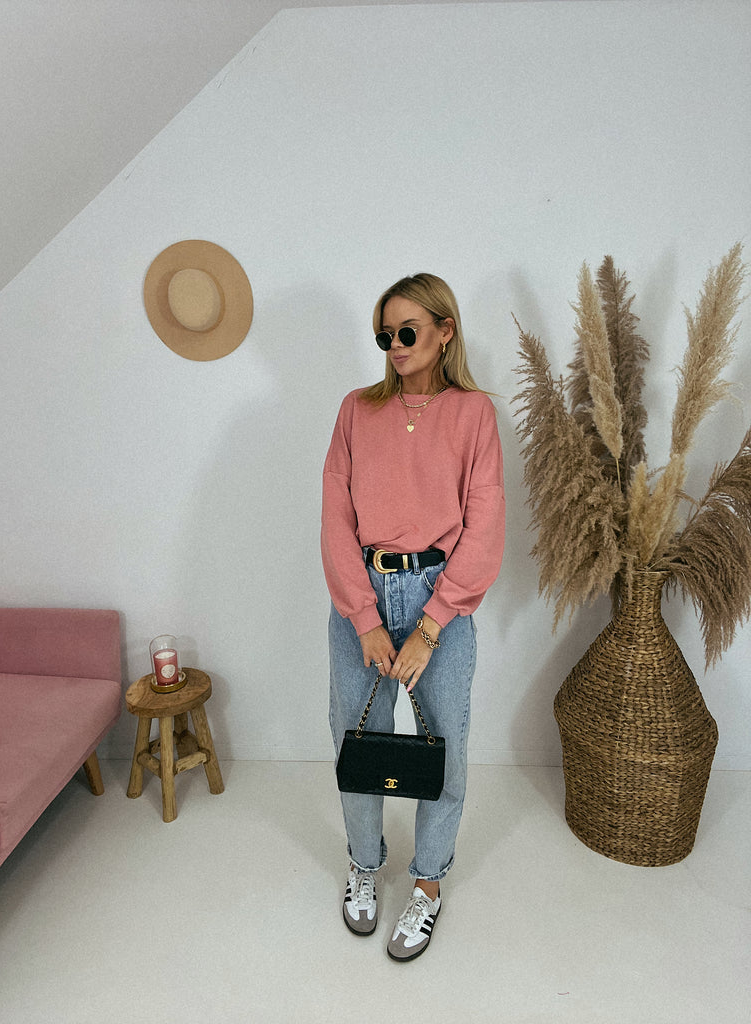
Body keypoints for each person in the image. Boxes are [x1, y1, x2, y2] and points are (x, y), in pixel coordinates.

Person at [321, 273, 506, 962]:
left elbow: (485, 525)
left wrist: (432, 624)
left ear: (444, 331)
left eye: (407, 331)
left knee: (445, 743)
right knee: (357, 739)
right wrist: (363, 616)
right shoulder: (356, 410)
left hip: (441, 595)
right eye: (385, 335)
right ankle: (364, 863)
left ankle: (428, 883)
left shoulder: (473, 414)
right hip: (363, 591)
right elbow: (335, 517)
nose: (395, 346)